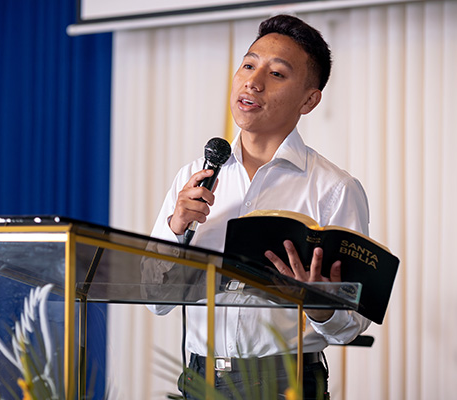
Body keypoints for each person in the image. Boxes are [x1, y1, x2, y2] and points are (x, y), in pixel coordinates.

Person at [145, 14, 371, 400]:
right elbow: (154, 301)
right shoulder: (194, 177)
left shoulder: (334, 188)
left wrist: (318, 303)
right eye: (248, 64)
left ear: (309, 99)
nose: (253, 80)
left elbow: (352, 323)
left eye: (277, 73)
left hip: (287, 382)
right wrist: (175, 225)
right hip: (198, 379)